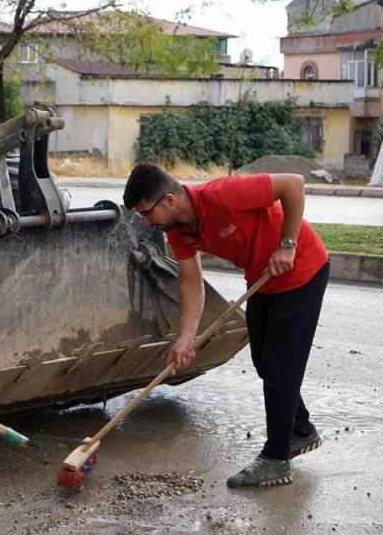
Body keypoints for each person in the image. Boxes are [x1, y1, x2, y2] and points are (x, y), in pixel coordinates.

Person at [123, 163, 330, 488]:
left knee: (280, 369)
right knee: (264, 361)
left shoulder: (223, 194)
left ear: (169, 201)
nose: (147, 222)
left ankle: (276, 460)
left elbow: (293, 184)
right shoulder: (177, 232)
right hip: (264, 280)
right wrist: (186, 337)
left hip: (302, 270)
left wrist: (287, 244)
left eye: (148, 214)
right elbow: (191, 283)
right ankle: (299, 430)